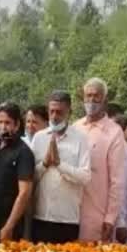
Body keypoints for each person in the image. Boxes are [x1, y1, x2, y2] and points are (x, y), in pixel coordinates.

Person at [31, 91, 91, 244]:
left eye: (59, 112)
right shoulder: (39, 138)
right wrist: (45, 164)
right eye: (51, 111)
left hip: (67, 219)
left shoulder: (80, 139)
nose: (54, 116)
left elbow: (85, 177)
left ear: (69, 112)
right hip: (41, 216)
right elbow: (30, 177)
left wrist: (59, 164)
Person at [74, 78, 127, 243]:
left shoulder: (114, 132)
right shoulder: (75, 127)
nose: (91, 100)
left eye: (96, 96)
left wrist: (111, 218)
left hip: (97, 217)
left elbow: (117, 181)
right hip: (71, 214)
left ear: (105, 99)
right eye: (88, 96)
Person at [0, 103, 35, 242]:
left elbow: (24, 193)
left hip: (10, 223)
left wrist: (9, 226)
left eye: (7, 123)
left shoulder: (23, 152)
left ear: (17, 125)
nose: (3, 127)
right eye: (0, 122)